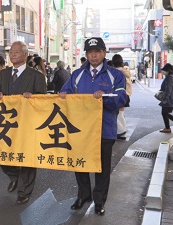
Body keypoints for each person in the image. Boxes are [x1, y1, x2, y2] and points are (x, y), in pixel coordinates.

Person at [59, 37, 127, 215]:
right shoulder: (77, 74)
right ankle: (83, 195)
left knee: (102, 168)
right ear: (86, 55)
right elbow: (66, 91)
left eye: (97, 52)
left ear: (104, 53)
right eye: (90, 52)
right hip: (80, 129)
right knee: (79, 163)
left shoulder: (115, 75)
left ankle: (99, 201)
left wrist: (104, 96)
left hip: (105, 129)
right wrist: (63, 95)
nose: (93, 55)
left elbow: (123, 99)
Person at [0, 41, 47, 205]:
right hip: (7, 123)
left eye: (17, 52)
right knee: (3, 154)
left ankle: (24, 191)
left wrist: (34, 97)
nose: (13, 54)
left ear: (25, 55)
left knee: (28, 158)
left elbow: (44, 101)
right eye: (11, 52)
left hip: (28, 124)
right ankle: (14, 175)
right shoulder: (4, 74)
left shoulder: (36, 76)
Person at [112, 54, 132, 140]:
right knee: (121, 113)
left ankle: (121, 131)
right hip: (127, 94)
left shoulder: (115, 72)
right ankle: (122, 131)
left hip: (120, 94)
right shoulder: (126, 71)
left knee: (117, 114)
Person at [158, 63, 173, 133]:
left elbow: (168, 90)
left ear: (168, 71)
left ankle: (168, 127)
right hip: (172, 98)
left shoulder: (169, 78)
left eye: (165, 70)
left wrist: (165, 99)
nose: (163, 72)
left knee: (164, 112)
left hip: (168, 99)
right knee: (165, 113)